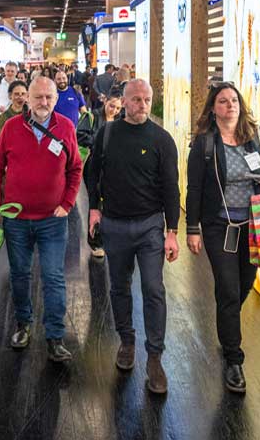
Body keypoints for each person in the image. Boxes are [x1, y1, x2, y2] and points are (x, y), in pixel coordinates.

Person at [84, 79, 180, 394]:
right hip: (114, 224)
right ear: (123, 102)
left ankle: (155, 357)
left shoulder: (162, 139)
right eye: (136, 99)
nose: (142, 105)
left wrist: (172, 231)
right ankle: (126, 341)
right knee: (119, 287)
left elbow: (170, 186)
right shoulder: (107, 134)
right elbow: (93, 171)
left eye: (147, 99)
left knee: (154, 289)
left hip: (151, 225)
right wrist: (95, 208)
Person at [185, 82, 260, 393]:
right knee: (227, 288)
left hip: (253, 225)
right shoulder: (205, 144)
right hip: (218, 226)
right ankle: (234, 359)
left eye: (234, 100)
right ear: (214, 109)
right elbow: (194, 187)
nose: (230, 106)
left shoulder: (258, 138)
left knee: (244, 284)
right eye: (223, 101)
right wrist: (192, 228)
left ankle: (227, 324)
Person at [0, 77, 82, 363]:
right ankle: (23, 324)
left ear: (55, 98)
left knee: (53, 277)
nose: (44, 103)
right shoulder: (12, 127)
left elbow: (75, 168)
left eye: (49, 98)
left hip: (53, 220)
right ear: (27, 98)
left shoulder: (65, 127)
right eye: (38, 97)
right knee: (19, 274)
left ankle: (55, 335)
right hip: (16, 219)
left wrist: (67, 203)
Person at [77, 91, 123, 259]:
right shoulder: (92, 116)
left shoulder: (121, 120)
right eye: (112, 106)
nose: (114, 110)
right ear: (105, 102)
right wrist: (99, 141)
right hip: (93, 165)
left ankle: (109, 237)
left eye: (118, 108)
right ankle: (95, 241)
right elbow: (80, 135)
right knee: (94, 201)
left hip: (113, 167)